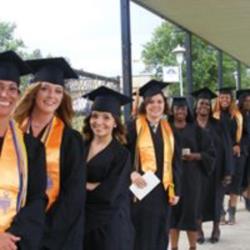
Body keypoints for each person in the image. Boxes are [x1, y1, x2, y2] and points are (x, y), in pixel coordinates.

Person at [14, 57, 85, 250]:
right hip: (11, 229)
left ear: (63, 97)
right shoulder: (13, 132)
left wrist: (42, 231)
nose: (51, 95)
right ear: (34, 91)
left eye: (58, 90)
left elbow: (73, 195)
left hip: (54, 235)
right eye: (44, 88)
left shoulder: (71, 140)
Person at [126, 80, 181, 250]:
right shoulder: (133, 127)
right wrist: (131, 173)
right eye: (151, 102)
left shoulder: (169, 129)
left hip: (163, 192)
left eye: (159, 101)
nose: (155, 106)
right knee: (141, 233)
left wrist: (176, 190)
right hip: (140, 190)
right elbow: (122, 155)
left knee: (160, 232)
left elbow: (176, 162)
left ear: (165, 104)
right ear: (145, 104)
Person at [0, 51, 46, 249]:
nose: (5, 94)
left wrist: (11, 235)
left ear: (18, 96)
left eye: (12, 89)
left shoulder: (31, 147)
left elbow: (36, 199)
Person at [82, 86, 134, 250]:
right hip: (79, 223)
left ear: (115, 123)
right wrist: (90, 186)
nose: (99, 122)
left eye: (106, 118)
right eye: (95, 116)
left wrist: (79, 186)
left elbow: (110, 194)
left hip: (109, 227)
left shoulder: (121, 155)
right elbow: (66, 181)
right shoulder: (79, 147)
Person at [169, 96, 215, 250]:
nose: (180, 111)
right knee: (172, 216)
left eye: (183, 108)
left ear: (187, 110)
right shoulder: (166, 128)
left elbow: (210, 153)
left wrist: (195, 156)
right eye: (177, 108)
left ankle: (192, 247)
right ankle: (174, 247)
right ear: (172, 110)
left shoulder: (196, 129)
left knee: (191, 214)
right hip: (171, 177)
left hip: (192, 178)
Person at [192, 87, 233, 243]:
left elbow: (228, 148)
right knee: (197, 200)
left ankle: (216, 229)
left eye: (207, 104)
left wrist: (228, 171)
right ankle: (199, 229)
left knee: (217, 200)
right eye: (202, 103)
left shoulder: (219, 125)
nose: (204, 107)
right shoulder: (190, 126)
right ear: (196, 106)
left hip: (216, 170)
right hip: (195, 171)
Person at [213, 87, 243, 224]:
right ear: (218, 99)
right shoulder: (214, 115)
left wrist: (239, 144)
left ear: (231, 100)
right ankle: (220, 212)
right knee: (220, 184)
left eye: (227, 97)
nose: (224, 100)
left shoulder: (237, 116)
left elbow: (246, 133)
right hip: (220, 155)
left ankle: (232, 212)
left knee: (235, 184)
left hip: (235, 154)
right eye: (222, 97)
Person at [236, 89, 250, 211]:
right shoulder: (237, 115)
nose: (248, 103)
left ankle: (247, 196)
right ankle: (245, 195)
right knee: (242, 175)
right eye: (246, 101)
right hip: (242, 150)